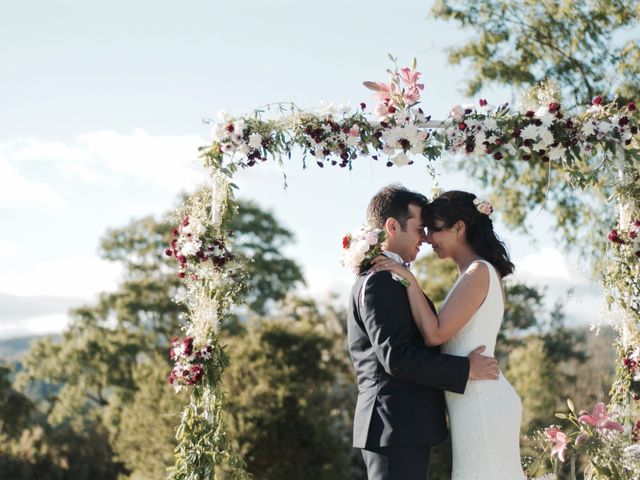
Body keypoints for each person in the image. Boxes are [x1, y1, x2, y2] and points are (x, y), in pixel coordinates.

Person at [347, 185, 500, 480]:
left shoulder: (393, 277)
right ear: (393, 226)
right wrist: (466, 368)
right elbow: (398, 359)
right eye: (419, 229)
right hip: (393, 425)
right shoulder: (380, 280)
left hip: (402, 427)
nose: (424, 238)